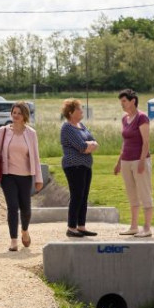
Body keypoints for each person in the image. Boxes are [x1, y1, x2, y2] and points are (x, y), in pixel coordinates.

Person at [0, 101, 43, 251]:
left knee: (26, 209)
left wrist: (39, 179)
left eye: (19, 113)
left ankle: (25, 231)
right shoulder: (3, 131)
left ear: (24, 116)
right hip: (7, 175)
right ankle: (14, 240)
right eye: (14, 112)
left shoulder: (31, 133)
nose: (15, 116)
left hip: (25, 176)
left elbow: (35, 156)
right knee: (12, 207)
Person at [115, 89, 154, 238]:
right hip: (126, 161)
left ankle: (147, 228)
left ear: (133, 101)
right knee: (132, 194)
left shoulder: (142, 118)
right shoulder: (124, 119)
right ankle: (133, 226)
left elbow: (146, 142)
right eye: (121, 102)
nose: (122, 104)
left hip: (139, 160)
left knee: (145, 193)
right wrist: (118, 162)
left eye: (124, 101)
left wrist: (142, 161)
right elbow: (124, 142)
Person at [59, 99, 99, 238]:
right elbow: (82, 147)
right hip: (73, 166)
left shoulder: (81, 126)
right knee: (76, 196)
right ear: (71, 112)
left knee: (84, 196)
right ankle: (71, 227)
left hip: (86, 166)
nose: (82, 111)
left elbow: (94, 142)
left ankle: (81, 226)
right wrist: (88, 145)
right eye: (79, 109)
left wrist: (89, 145)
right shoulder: (67, 128)